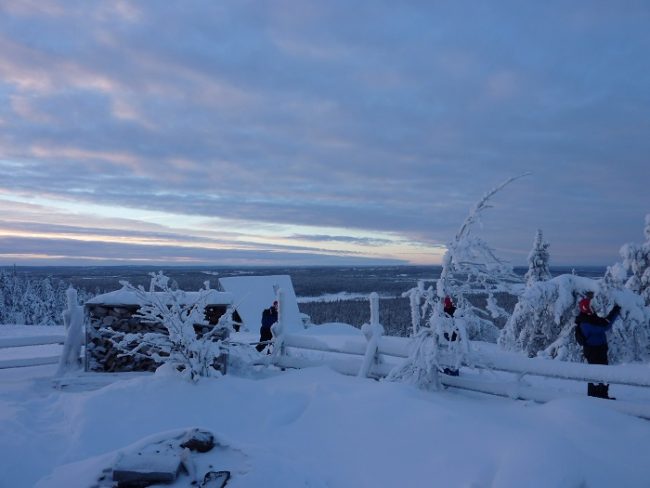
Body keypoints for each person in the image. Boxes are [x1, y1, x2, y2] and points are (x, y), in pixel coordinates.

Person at [575, 292, 620, 399]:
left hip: (599, 349)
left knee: (601, 373)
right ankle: (595, 397)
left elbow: (603, 322)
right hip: (593, 351)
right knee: (596, 374)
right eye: (592, 306)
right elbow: (605, 326)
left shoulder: (590, 318)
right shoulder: (585, 323)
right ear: (587, 308)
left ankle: (601, 396)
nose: (594, 307)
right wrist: (615, 311)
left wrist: (614, 311)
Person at [441, 296, 459, 376]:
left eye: (448, 303)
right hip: (446, 334)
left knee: (453, 352)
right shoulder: (444, 309)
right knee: (447, 352)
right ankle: (447, 369)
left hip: (453, 335)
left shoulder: (454, 309)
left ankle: (454, 371)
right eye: (446, 303)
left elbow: (459, 320)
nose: (447, 304)